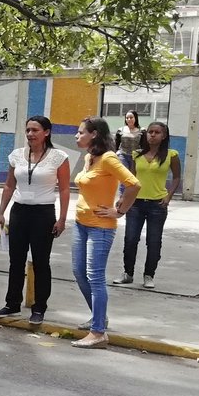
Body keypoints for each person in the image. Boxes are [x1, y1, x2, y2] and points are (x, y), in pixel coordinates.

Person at [0, 116, 71, 324]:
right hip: (19, 212)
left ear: (46, 132)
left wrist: (62, 218)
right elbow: (9, 185)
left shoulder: (58, 157)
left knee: (41, 262)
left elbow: (64, 189)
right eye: (28, 130)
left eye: (35, 130)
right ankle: (12, 303)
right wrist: (1, 211)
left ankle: (39, 307)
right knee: (15, 260)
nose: (30, 134)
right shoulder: (17, 155)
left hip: (43, 213)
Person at [71, 117, 140, 349]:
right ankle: (98, 316)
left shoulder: (110, 158)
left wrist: (119, 210)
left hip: (100, 228)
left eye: (81, 132)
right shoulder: (90, 157)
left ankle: (98, 332)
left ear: (95, 134)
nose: (77, 136)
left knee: (95, 277)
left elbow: (133, 184)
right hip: (81, 223)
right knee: (79, 272)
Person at [114, 121, 180, 290]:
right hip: (135, 204)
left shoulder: (171, 155)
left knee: (153, 241)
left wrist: (168, 197)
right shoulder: (137, 155)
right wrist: (123, 198)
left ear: (164, 136)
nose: (152, 135)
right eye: (150, 132)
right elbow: (132, 180)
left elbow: (176, 178)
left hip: (157, 205)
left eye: (157, 132)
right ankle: (127, 273)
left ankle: (149, 275)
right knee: (130, 239)